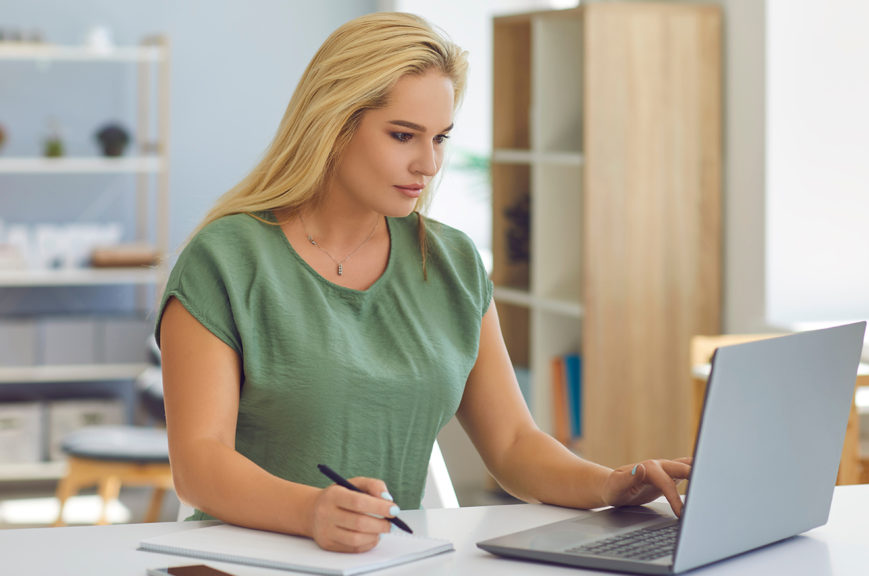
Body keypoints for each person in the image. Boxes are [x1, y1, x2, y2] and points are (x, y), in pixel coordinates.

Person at [157, 12, 691, 554]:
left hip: (384, 562)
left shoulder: (451, 261)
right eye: (403, 135)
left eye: (440, 138)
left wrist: (610, 485)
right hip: (239, 560)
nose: (429, 162)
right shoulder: (225, 260)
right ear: (332, 124)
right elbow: (199, 463)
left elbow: (512, 445)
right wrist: (312, 511)